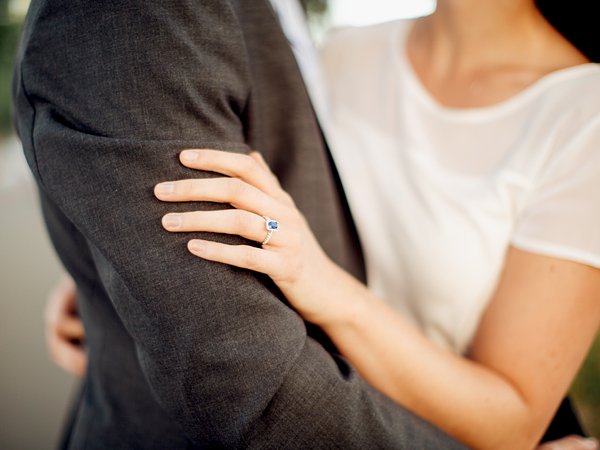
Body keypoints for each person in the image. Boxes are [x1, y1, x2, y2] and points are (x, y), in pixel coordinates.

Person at [108, 0, 600, 448]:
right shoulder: (344, 54)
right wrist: (117, 272)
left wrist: (329, 288)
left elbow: (511, 425)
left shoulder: (583, 118)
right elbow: (263, 199)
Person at [12, 0, 465, 448]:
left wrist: (114, 254)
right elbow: (244, 378)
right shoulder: (136, 14)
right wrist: (113, 258)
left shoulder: (333, 37)